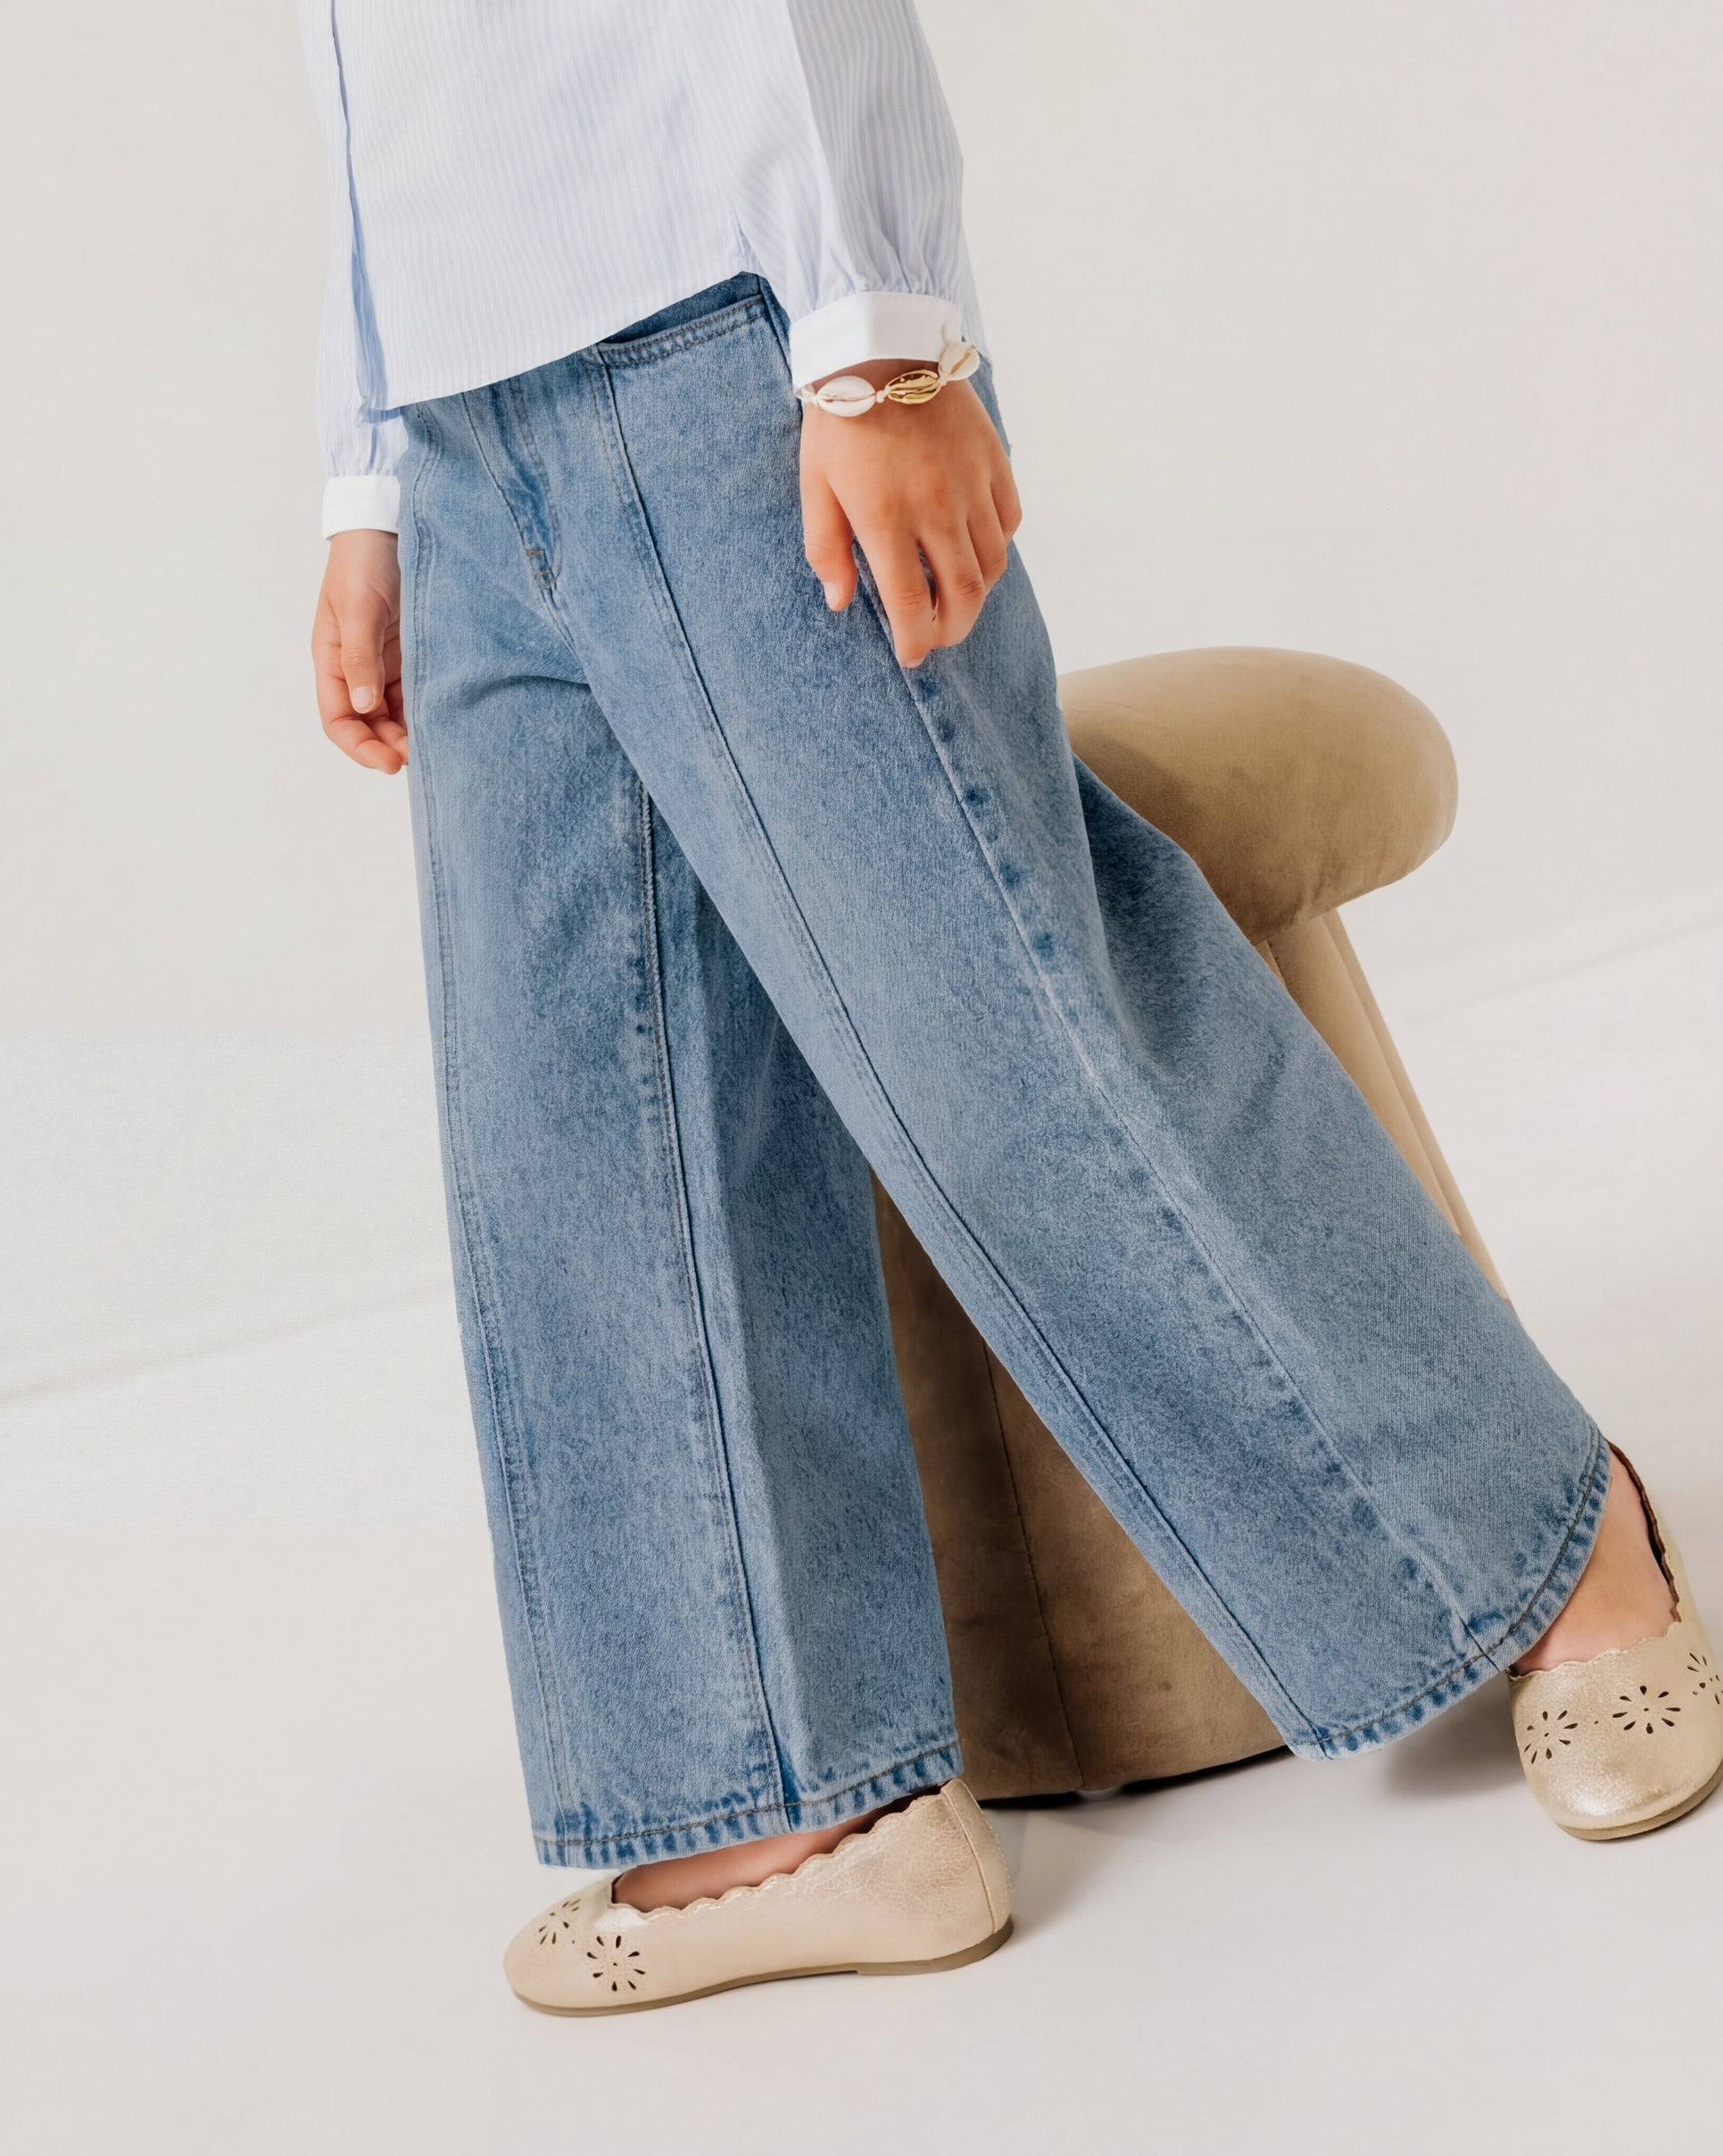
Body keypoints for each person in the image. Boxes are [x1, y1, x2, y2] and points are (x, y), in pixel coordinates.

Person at [298, 2, 1720, 2015]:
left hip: (714, 337)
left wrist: (874, 327)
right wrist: (368, 480)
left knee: (1005, 1041)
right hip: (459, 414)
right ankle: (799, 1803)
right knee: (580, 1128)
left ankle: (1543, 1544)